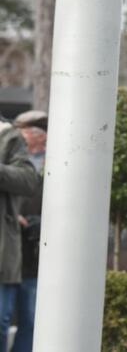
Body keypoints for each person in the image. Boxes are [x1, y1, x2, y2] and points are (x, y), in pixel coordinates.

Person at [0, 111, 42, 350]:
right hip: (16, 248)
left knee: (14, 319)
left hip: (13, 250)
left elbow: (28, 180)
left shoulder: (8, 137)